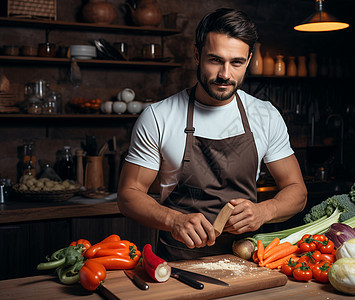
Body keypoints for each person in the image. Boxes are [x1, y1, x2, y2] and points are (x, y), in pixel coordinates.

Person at [117, 8, 307, 261]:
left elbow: (297, 191)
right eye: (215, 60)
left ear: (248, 60)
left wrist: (265, 210)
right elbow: (129, 195)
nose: (225, 75)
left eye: (236, 62)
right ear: (197, 55)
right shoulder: (158, 116)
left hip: (248, 261)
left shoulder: (265, 115)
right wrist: (173, 219)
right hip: (178, 265)